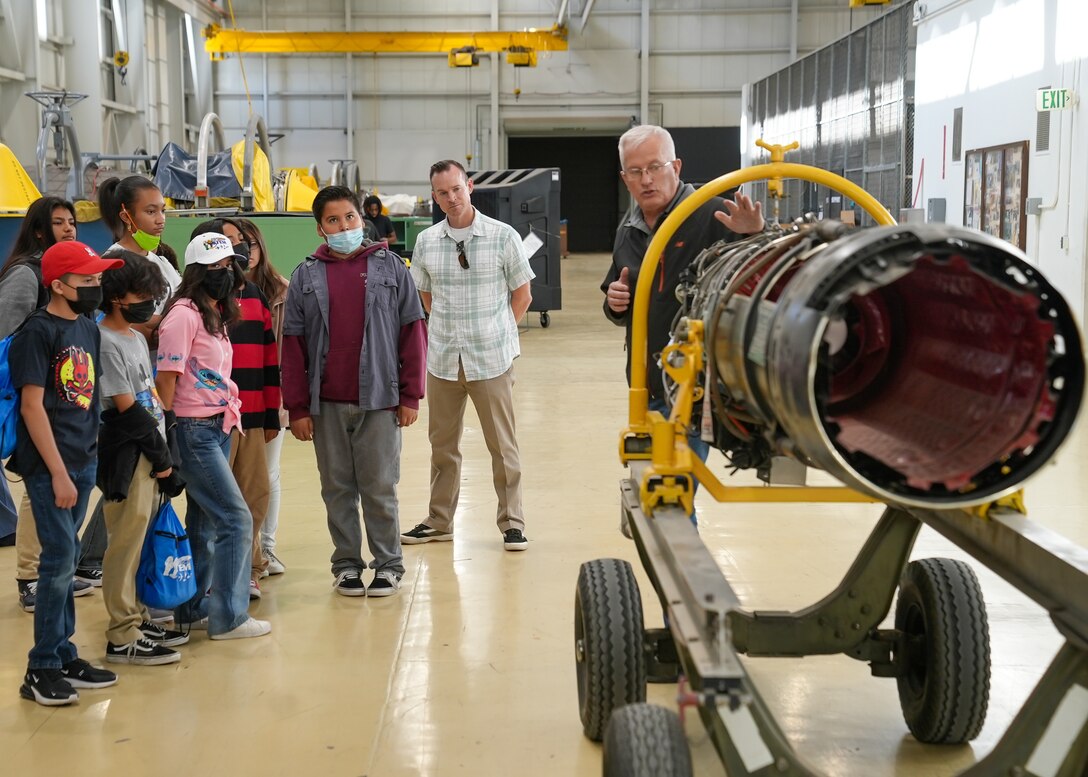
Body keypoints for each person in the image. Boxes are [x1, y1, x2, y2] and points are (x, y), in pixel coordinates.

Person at [600, 124, 764, 520]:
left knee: (672, 495)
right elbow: (617, 291)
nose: (646, 179)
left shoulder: (715, 214)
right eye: (635, 172)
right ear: (624, 178)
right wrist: (615, 302)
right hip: (647, 380)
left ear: (676, 166)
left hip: (697, 387)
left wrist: (755, 234)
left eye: (655, 167)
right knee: (659, 486)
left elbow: (762, 276)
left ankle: (682, 575)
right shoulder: (631, 228)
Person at [281, 185, 426, 597]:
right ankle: (346, 564)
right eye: (333, 220)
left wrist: (411, 395)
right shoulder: (305, 275)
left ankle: (388, 564)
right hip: (325, 403)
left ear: (362, 220)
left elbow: (412, 331)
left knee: (380, 486)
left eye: (350, 218)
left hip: (380, 399)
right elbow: (292, 346)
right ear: (320, 228)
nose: (343, 226)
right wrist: (297, 408)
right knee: (337, 488)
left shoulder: (391, 267)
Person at [8, 240, 123, 706]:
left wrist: (91, 455)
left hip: (82, 459)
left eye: (98, 279)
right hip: (49, 465)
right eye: (86, 280)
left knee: (66, 559)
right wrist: (57, 471)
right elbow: (33, 407)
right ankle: (41, 668)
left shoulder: (86, 327)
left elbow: (89, 396)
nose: (96, 286)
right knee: (57, 564)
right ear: (58, 285)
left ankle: (64, 653)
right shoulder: (36, 333)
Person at [401, 160, 535, 551]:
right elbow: (425, 297)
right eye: (442, 193)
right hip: (443, 360)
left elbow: (523, 294)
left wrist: (498, 331)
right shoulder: (427, 242)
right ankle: (439, 520)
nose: (451, 198)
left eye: (457, 189)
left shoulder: (502, 236)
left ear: (470, 186)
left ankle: (512, 522)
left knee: (502, 445)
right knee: (442, 446)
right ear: (434, 196)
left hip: (490, 359)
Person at [154, 233, 270, 640]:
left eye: (230, 266)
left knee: (204, 523)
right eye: (217, 267)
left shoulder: (215, 314)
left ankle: (192, 609)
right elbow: (166, 380)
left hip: (219, 424)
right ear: (197, 272)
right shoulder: (184, 314)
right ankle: (229, 617)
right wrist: (167, 438)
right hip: (193, 430)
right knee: (236, 519)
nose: (226, 273)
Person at [0, 196, 95, 609]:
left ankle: (56, 569)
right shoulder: (27, 275)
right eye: (59, 223)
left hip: (67, 398)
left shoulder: (73, 284)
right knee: (37, 485)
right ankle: (29, 577)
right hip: (34, 394)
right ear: (39, 230)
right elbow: (6, 334)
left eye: (72, 222)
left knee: (64, 492)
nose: (70, 228)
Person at [95, 249, 188, 665]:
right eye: (143, 295)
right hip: (129, 456)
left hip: (150, 453)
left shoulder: (133, 338)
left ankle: (136, 615)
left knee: (142, 539)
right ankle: (121, 633)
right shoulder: (105, 341)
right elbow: (125, 408)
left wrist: (164, 453)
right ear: (118, 297)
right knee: (125, 545)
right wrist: (161, 457)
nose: (150, 305)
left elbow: (150, 401)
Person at [190, 218, 280, 599]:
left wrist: (272, 413)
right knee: (218, 504)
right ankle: (211, 579)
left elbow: (268, 359)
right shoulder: (193, 305)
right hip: (212, 420)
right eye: (222, 247)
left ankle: (247, 570)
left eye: (236, 247)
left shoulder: (256, 296)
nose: (232, 254)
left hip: (253, 416)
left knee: (255, 494)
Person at [237, 218, 290, 577]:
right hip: (229, 400)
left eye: (250, 244)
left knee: (267, 474)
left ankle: (266, 547)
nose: (245, 252)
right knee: (236, 478)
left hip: (272, 394)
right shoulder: (217, 290)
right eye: (236, 245)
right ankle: (245, 551)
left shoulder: (282, 291)